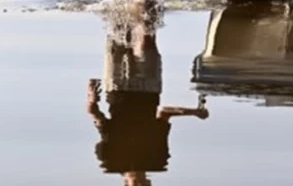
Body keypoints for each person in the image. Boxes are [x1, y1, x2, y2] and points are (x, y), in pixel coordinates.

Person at [87, 16, 209, 183]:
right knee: (146, 38)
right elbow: (164, 114)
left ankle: (118, 3)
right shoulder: (158, 160)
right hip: (149, 88)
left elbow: (96, 116)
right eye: (143, 185)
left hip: (117, 88)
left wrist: (92, 98)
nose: (138, 183)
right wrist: (193, 112)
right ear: (149, 183)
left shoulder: (110, 162)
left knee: (116, 34)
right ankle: (145, 7)